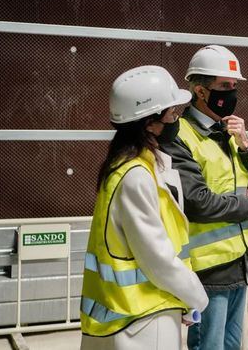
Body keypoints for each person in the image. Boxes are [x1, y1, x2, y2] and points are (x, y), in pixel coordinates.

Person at [80, 65, 208, 350]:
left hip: (136, 317)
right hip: (144, 320)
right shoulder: (136, 175)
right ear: (149, 123)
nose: (177, 120)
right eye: (172, 114)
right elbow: (158, 259)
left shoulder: (129, 166)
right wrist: (196, 297)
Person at [160, 45, 248, 350]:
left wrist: (247, 142)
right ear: (200, 90)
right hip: (208, 268)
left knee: (231, 345)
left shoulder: (231, 133)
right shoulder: (179, 135)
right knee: (208, 346)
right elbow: (198, 202)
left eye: (235, 86)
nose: (232, 93)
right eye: (225, 86)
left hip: (240, 261)